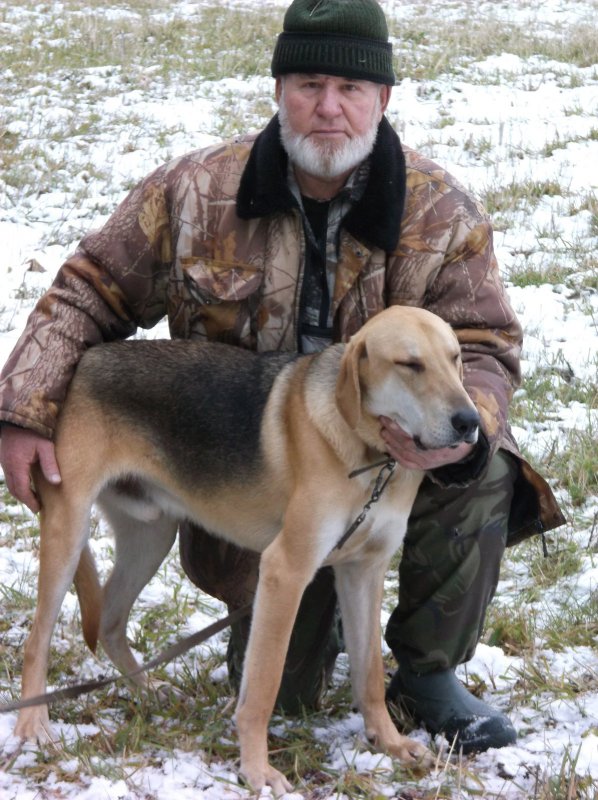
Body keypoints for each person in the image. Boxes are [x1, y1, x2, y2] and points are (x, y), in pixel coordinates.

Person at [0, 0, 564, 755]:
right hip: (239, 475)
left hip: (390, 465)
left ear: (383, 99)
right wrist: (25, 409)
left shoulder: (442, 212)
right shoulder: (196, 188)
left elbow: (487, 344)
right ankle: (76, 666)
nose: (329, 107)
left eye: (351, 88)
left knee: (487, 468)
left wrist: (470, 430)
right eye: (308, 82)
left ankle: (427, 674)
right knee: (290, 694)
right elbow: (88, 287)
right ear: (278, 89)